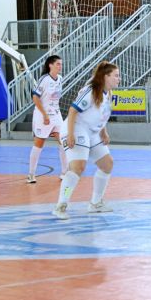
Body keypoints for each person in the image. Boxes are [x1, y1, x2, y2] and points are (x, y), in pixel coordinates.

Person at [53, 61, 121, 220]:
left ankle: (95, 203)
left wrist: (104, 132)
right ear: (106, 77)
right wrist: (70, 135)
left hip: (92, 132)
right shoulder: (91, 91)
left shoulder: (108, 93)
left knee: (107, 164)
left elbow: (101, 114)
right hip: (76, 128)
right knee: (77, 167)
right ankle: (61, 205)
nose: (119, 79)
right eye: (116, 76)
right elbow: (72, 111)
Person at [27, 55, 67, 183]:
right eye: (58, 64)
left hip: (56, 115)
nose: (60, 66)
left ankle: (65, 173)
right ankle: (31, 174)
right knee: (39, 144)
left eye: (61, 64)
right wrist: (44, 115)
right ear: (50, 65)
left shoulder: (60, 79)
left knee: (63, 142)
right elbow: (35, 98)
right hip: (42, 115)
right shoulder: (44, 79)